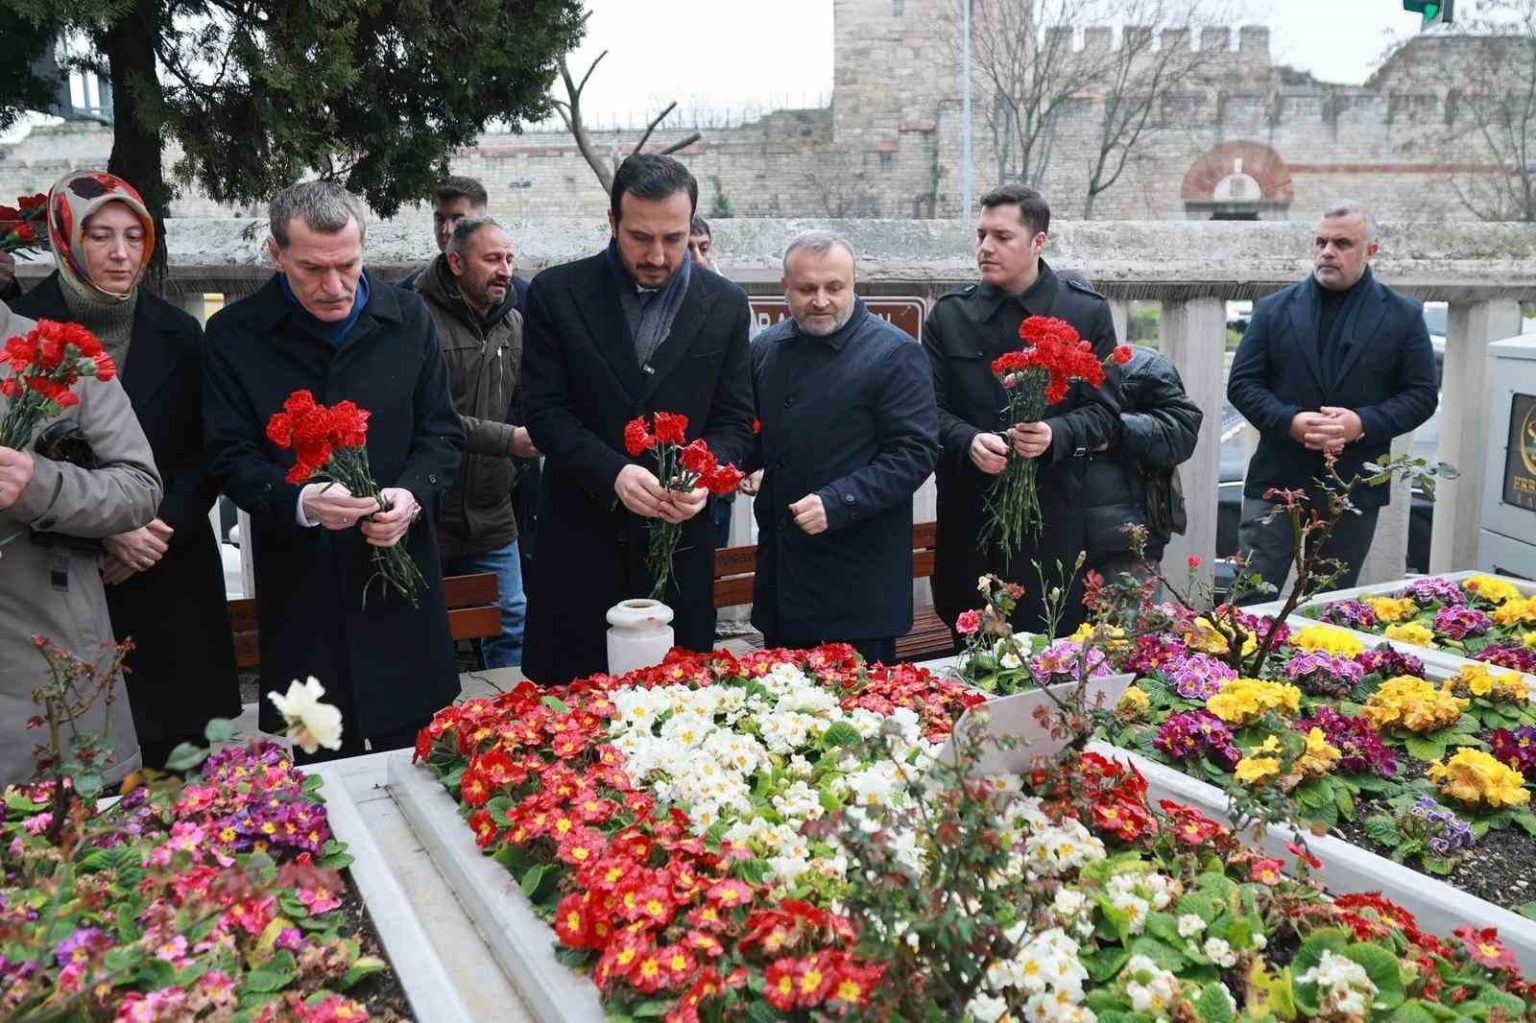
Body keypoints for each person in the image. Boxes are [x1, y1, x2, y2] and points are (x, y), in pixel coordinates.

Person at [203, 180, 465, 760]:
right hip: (302, 602)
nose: (334, 286)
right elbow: (227, 456)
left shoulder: (409, 317)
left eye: (347, 265)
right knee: (318, 780)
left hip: (401, 595)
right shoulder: (234, 334)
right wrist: (300, 499)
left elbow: (442, 436)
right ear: (277, 255)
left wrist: (410, 497)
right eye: (312, 270)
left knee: (422, 767)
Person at [12, 170, 240, 769]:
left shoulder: (180, 332)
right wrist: (109, 529)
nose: (121, 253)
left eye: (134, 237)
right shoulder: (25, 330)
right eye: (100, 236)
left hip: (171, 565)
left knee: (185, 765)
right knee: (84, 756)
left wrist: (154, 529)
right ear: (66, 241)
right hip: (66, 577)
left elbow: (208, 449)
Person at [521, 154, 754, 685]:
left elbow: (736, 422)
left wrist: (700, 475)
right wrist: (613, 473)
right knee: (568, 712)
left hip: (679, 550)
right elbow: (544, 413)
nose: (657, 255)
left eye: (674, 238)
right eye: (640, 237)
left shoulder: (725, 304)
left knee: (675, 709)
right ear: (612, 222)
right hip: (578, 547)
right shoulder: (556, 294)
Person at [924, 184, 1121, 640]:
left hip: (1051, 519)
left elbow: (1105, 412)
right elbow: (926, 410)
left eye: (1002, 236)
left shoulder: (1084, 311)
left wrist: (1055, 433)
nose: (986, 248)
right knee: (969, 649)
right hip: (968, 517)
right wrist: (967, 440)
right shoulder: (950, 315)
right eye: (981, 235)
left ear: (1038, 242)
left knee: (1049, 650)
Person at [1228, 201, 1437, 598]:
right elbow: (1241, 384)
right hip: (1277, 479)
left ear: (1370, 250)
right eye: (1321, 242)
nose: (1327, 251)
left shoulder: (1403, 315)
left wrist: (1361, 424)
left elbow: (1422, 395)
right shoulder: (1273, 310)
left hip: (1353, 485)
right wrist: (1289, 421)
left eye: (1342, 243)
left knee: (1327, 604)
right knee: (1250, 599)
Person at [749, 231, 938, 664]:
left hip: (858, 586)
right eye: (806, 289)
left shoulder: (894, 353)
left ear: (854, 285)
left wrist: (837, 502)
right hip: (783, 581)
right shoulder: (766, 349)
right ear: (785, 288)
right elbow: (751, 435)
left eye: (834, 287)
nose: (821, 301)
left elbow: (915, 452)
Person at [0, 298, 162, 787]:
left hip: (44, 657)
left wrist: (38, 486)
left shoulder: (59, 355)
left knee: (58, 826)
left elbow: (139, 487)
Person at [414, 217, 536, 667]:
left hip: (492, 508)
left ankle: (508, 708)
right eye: (492, 259)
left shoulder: (514, 323)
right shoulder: (417, 318)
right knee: (421, 627)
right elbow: (428, 415)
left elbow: (530, 399)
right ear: (456, 262)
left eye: (509, 259)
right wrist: (509, 440)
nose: (505, 270)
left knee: (512, 619)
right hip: (428, 506)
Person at [1081, 343, 1203, 583]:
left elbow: (1182, 431)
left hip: (1123, 545)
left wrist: (1114, 431)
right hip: (1045, 538)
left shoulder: (1142, 365)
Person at [397, 176, 530, 312]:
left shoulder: (524, 298)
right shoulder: (407, 294)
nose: (447, 230)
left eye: (458, 220)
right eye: (440, 219)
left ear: (483, 221)